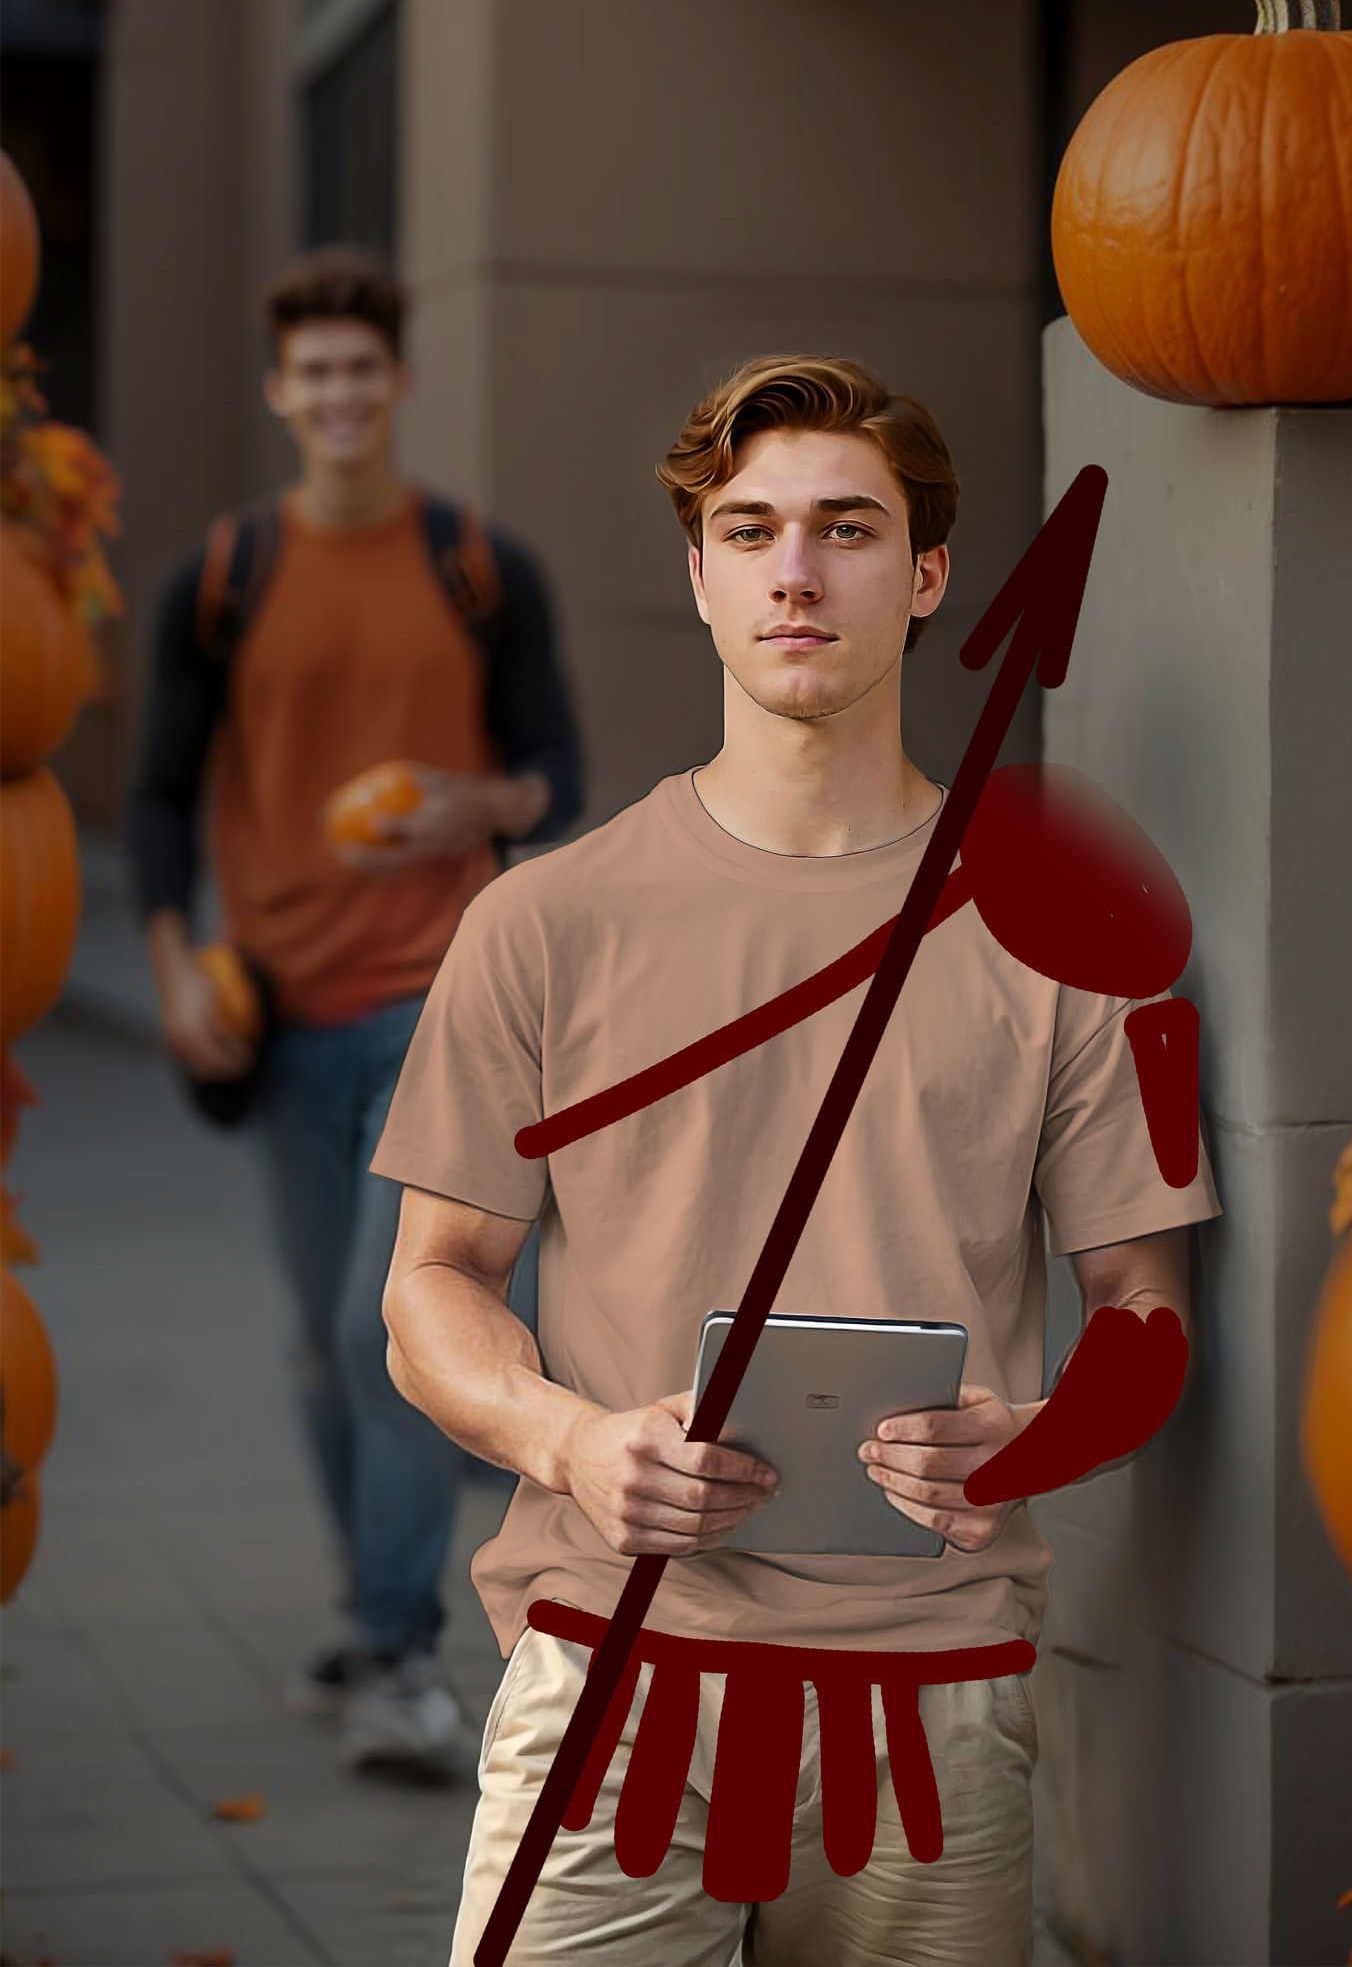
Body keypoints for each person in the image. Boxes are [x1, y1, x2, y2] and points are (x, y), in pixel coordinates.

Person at [370, 355, 1222, 1962]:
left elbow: (1145, 1309)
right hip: (609, 1675)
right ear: (696, 577)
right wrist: (568, 1443)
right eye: (749, 530)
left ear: (923, 579)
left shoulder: (1059, 939)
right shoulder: (542, 924)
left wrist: (1025, 1444)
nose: (794, 570)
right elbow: (433, 1287)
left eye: (844, 528)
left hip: (934, 1697)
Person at [125, 246, 583, 1777]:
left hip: (437, 1004)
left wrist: (468, 802)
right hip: (281, 1012)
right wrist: (179, 961)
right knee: (322, 1351)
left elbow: (551, 778)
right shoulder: (222, 576)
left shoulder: (478, 564)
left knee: (383, 1322)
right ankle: (369, 1609)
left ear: (395, 383)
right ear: (281, 391)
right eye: (311, 371)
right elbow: (159, 791)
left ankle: (397, 1653)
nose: (336, 394)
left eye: (359, 369)